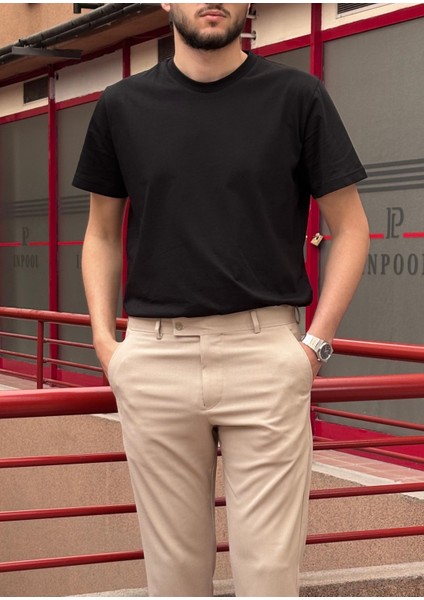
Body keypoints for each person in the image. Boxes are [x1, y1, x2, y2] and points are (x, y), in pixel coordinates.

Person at [73, 3, 370, 596]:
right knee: (174, 580)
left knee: (270, 578)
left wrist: (314, 346)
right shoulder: (120, 106)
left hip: (266, 356)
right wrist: (107, 344)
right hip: (154, 359)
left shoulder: (297, 97)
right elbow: (101, 234)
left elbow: (352, 228)